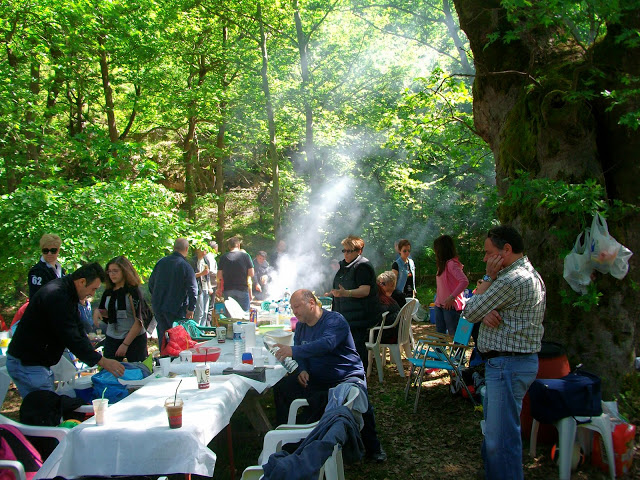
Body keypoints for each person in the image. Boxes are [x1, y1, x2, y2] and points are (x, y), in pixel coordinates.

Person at [463, 225, 546, 480]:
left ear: (506, 250)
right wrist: (486, 310)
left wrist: (486, 281)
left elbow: (468, 311)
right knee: (496, 436)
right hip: (506, 365)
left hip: (507, 366)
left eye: (489, 253)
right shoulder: (521, 275)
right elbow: (480, 309)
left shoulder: (511, 279)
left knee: (502, 443)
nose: (485, 259)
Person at [273, 289, 387, 462]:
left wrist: (293, 351)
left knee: (357, 398)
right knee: (282, 389)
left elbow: (327, 343)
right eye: (292, 308)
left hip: (346, 375)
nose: (295, 311)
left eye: (297, 306)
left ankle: (374, 447)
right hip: (317, 378)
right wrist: (302, 369)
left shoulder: (334, 320)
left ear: (311, 303)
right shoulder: (302, 326)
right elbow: (301, 352)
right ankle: (287, 438)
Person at [7, 263, 125, 398]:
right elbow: (70, 336)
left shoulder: (67, 292)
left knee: (46, 409)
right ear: (82, 282)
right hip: (27, 363)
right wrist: (102, 361)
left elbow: (78, 328)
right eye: (93, 289)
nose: (92, 294)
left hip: (35, 362)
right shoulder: (57, 295)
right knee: (44, 410)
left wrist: (92, 352)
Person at [329, 235, 379, 373]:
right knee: (346, 347)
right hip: (345, 314)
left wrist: (346, 293)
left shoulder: (362, 266)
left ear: (359, 251)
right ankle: (347, 374)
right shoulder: (344, 265)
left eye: (349, 251)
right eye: (344, 250)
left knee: (357, 348)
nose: (346, 253)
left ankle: (359, 377)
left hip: (359, 317)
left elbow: (365, 290)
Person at [94, 256, 148, 362]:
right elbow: (110, 313)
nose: (112, 274)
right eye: (109, 271)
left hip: (133, 338)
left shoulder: (133, 292)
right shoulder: (108, 292)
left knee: (137, 372)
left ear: (124, 271)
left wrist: (125, 344)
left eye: (115, 271)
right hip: (112, 337)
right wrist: (98, 312)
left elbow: (138, 321)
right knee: (109, 372)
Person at [149, 238, 198, 348]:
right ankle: (175, 360)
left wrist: (157, 297)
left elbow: (151, 284)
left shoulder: (161, 263)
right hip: (177, 308)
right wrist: (191, 308)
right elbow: (193, 289)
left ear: (174, 248)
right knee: (176, 338)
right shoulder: (185, 266)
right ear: (186, 249)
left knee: (163, 337)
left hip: (159, 306)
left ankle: (164, 359)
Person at [433, 235, 469, 335]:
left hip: (450, 307)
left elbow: (464, 281)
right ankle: (440, 351)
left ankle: (458, 350)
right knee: (440, 335)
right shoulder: (442, 264)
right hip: (439, 305)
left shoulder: (451, 264)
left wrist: (452, 297)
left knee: (455, 335)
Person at [217, 236, 254, 311]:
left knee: (231, 315)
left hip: (228, 289)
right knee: (244, 316)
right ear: (238, 245)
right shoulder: (246, 256)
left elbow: (219, 275)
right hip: (242, 289)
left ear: (229, 246)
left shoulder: (223, 257)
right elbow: (251, 273)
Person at [28, 234, 66, 299]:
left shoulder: (61, 270)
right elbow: (36, 298)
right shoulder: (37, 271)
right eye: (45, 250)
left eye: (53, 250)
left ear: (58, 250)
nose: (49, 254)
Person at [375, 271, 406, 344]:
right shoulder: (382, 296)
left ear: (391, 284)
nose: (380, 285)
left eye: (382, 283)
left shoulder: (396, 296)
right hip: (391, 327)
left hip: (393, 331)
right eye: (379, 283)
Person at [190, 246, 213, 326]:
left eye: (205, 249)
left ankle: (202, 330)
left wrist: (209, 287)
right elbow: (191, 275)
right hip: (198, 288)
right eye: (203, 249)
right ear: (197, 250)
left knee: (205, 312)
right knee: (199, 312)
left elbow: (208, 275)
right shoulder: (193, 261)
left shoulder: (206, 260)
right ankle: (196, 331)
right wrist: (201, 274)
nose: (205, 250)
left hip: (205, 287)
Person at [205, 241, 219, 324]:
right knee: (209, 306)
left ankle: (208, 324)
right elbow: (209, 271)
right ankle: (207, 325)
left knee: (210, 306)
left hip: (212, 283)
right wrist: (219, 274)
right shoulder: (209, 257)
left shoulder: (211, 257)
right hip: (210, 284)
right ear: (214, 248)